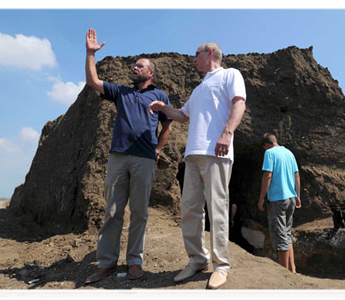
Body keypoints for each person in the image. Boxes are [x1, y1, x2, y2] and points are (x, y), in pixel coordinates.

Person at [149, 42, 246, 290]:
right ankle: (197, 259)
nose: (194, 60)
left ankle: (221, 265)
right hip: (192, 155)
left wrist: (227, 133)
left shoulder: (229, 74)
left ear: (210, 53)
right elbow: (183, 116)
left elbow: (239, 104)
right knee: (190, 208)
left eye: (197, 55)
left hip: (217, 151)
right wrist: (164, 108)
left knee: (217, 209)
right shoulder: (199, 88)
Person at [84, 28, 172, 283]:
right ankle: (106, 263)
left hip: (144, 159)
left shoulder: (160, 95)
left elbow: (167, 125)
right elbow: (93, 81)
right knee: (112, 211)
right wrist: (90, 54)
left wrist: (157, 151)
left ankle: (134, 261)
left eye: (139, 66)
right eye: (134, 65)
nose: (134, 68)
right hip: (118, 157)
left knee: (140, 213)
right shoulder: (121, 92)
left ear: (150, 73)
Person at [258, 133, 301, 274]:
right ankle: (292, 270)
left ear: (266, 145)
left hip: (278, 199)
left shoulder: (270, 153)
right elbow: (296, 176)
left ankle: (284, 273)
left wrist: (261, 198)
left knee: (280, 235)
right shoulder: (289, 153)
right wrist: (298, 196)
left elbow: (268, 175)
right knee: (287, 234)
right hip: (291, 198)